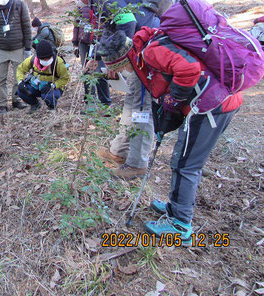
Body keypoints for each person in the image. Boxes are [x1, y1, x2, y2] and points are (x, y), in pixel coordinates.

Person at [99, 29, 242, 242]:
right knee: (180, 159)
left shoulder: (150, 53)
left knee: (186, 164)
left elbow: (190, 69)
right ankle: (174, 207)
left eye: (121, 68)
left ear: (123, 60)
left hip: (212, 106)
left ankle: (180, 224)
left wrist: (173, 99)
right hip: (205, 103)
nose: (125, 72)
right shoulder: (141, 55)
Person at [68, 0, 161, 178]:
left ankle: (137, 163)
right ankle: (118, 151)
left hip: (146, 53)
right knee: (133, 100)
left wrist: (116, 60)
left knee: (141, 108)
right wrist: (98, 58)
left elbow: (128, 22)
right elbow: (109, 31)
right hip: (140, 51)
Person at [0, 0, 31, 113]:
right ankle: (2, 104)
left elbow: (27, 26)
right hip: (1, 49)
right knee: (1, 78)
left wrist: (28, 48)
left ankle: (16, 100)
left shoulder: (19, 5)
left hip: (18, 47)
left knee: (19, 76)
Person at [16, 40, 70, 112]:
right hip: (36, 85)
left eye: (48, 58)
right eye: (44, 59)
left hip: (53, 87)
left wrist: (53, 85)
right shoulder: (32, 60)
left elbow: (66, 78)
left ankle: (51, 107)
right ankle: (35, 104)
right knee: (21, 91)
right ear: (38, 58)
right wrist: (20, 82)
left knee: (48, 96)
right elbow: (20, 69)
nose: (46, 60)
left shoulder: (58, 63)